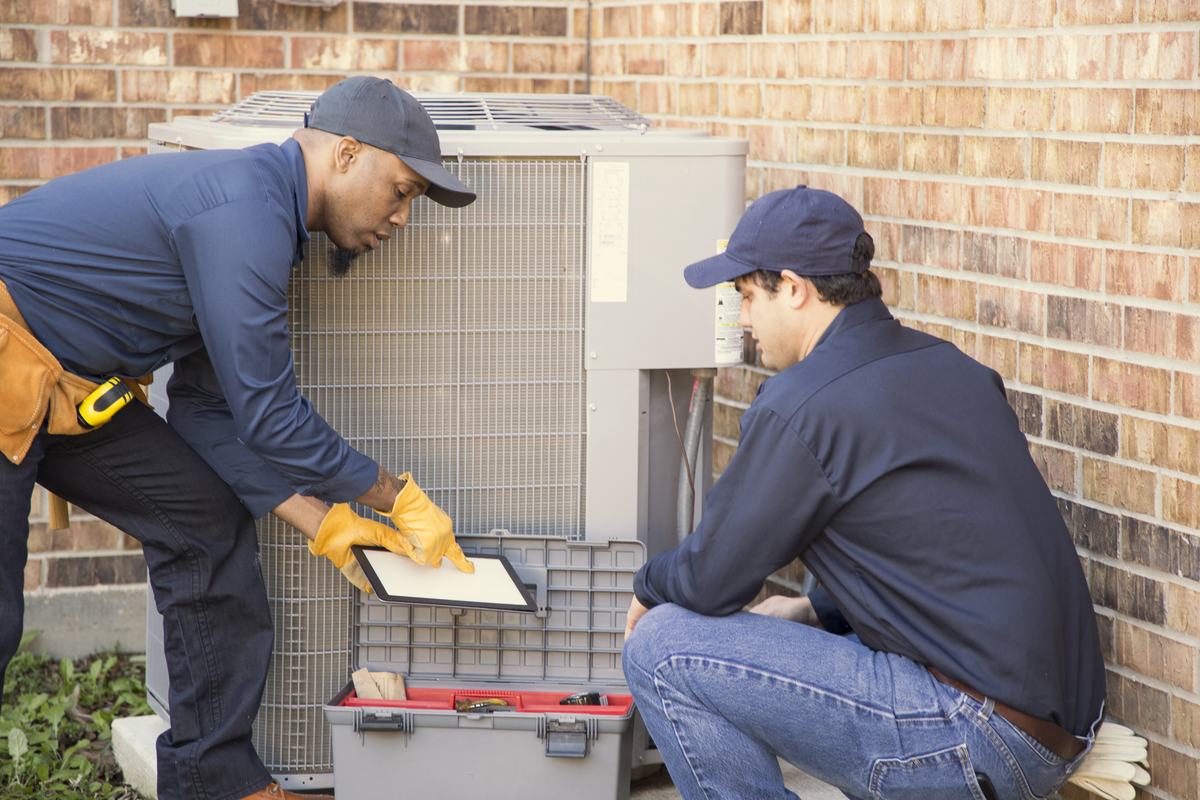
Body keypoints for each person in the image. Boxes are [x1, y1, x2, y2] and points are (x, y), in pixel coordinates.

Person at [0, 77, 476, 800]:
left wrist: (329, 525)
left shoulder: (263, 221)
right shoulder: (244, 209)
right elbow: (270, 414)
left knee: (201, 521)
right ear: (347, 155)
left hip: (58, 381)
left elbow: (204, 413)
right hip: (12, 358)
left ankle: (212, 780)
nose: (403, 217)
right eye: (403, 190)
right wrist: (395, 495)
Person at [622, 186, 1105, 800]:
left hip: (970, 738)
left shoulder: (804, 404)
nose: (743, 319)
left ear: (793, 289)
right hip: (1055, 732)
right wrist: (814, 609)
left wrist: (647, 587)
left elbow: (711, 579)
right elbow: (927, 544)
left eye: (746, 296)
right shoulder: (950, 367)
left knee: (663, 645)